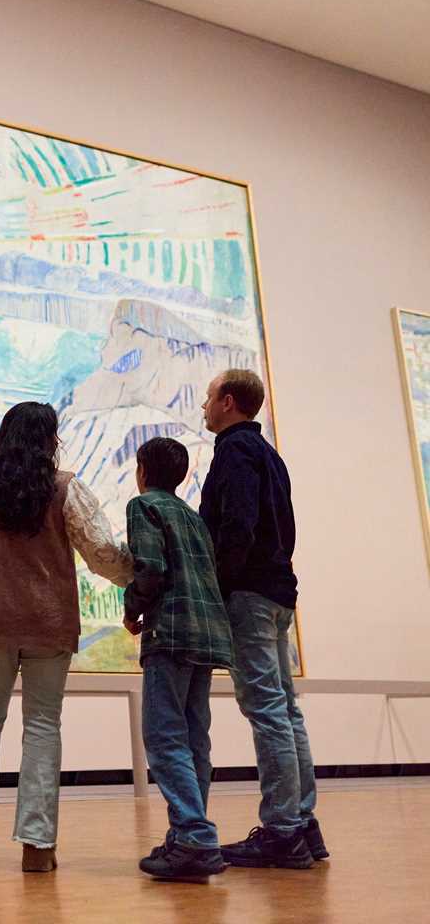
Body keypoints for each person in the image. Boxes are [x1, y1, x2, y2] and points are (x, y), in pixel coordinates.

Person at [0, 401, 133, 872]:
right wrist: (141, 578)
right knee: (42, 727)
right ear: (50, 440)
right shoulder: (65, 488)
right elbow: (101, 552)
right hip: (51, 624)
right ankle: (38, 846)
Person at [199, 369, 327, 869]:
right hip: (277, 593)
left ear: (228, 402)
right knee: (286, 709)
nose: (204, 406)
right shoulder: (270, 455)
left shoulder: (234, 452)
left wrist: (222, 582)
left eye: (209, 398)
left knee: (267, 709)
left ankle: (281, 830)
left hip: (250, 594)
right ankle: (302, 822)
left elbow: (237, 524)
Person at [122, 437, 233, 879]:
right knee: (193, 737)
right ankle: (188, 833)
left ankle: (194, 837)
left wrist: (132, 608)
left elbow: (149, 567)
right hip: (208, 637)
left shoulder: (143, 505)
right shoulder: (194, 516)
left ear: (143, 470)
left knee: (165, 736)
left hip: (169, 632)